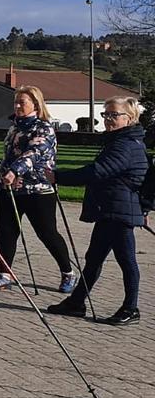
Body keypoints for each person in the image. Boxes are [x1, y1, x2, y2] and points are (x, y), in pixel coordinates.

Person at [48, 96, 147, 326]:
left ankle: (131, 308)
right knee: (94, 259)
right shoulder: (122, 141)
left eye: (114, 115)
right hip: (110, 209)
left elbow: (97, 171)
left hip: (118, 210)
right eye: (106, 115)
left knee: (126, 260)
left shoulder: (125, 144)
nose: (108, 120)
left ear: (129, 118)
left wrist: (59, 176)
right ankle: (76, 302)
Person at [0, 86, 77, 293]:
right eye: (15, 102)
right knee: (6, 233)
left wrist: (15, 171)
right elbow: (8, 156)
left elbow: (34, 153)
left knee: (47, 233)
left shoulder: (43, 128)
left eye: (22, 102)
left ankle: (68, 272)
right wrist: (1, 176)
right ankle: (4, 274)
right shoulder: (14, 127)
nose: (17, 106)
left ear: (35, 104)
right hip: (10, 189)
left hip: (38, 189)